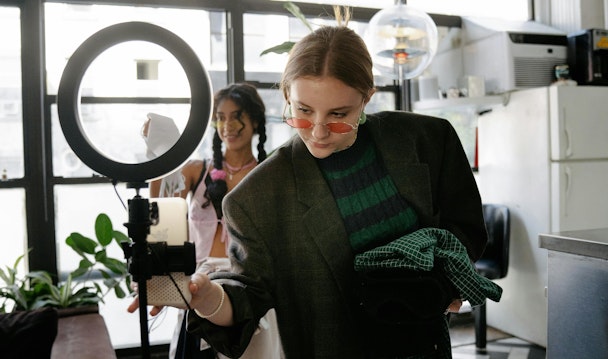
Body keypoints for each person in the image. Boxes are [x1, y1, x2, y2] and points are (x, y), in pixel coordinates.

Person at [182, 15, 503, 359]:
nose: (318, 131)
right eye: (303, 111)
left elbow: (466, 229)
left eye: (338, 114)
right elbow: (247, 296)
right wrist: (206, 298)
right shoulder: (257, 197)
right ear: (287, 93)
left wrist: (442, 284)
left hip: (425, 348)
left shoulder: (427, 141)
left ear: (367, 98)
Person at [131, 82, 283, 359]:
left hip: (248, 288)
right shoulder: (196, 171)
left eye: (237, 115)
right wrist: (159, 152)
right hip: (199, 283)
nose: (228, 125)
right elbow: (161, 209)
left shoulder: (270, 174)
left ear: (256, 119)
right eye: (221, 117)